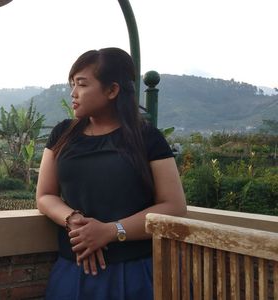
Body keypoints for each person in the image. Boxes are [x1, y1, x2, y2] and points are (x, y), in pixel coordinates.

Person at [36, 47, 186, 299]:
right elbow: (45, 195)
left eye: (82, 84)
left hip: (136, 272)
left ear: (112, 90)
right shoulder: (62, 134)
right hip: (74, 271)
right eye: (72, 84)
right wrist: (73, 219)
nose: (73, 93)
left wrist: (110, 231)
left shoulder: (146, 137)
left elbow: (174, 206)